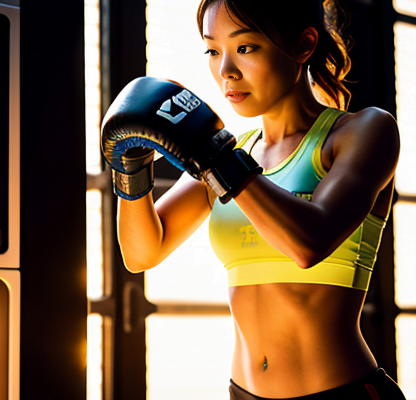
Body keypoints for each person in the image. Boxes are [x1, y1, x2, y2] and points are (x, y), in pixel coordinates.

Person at [102, 0, 406, 398]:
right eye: (213, 50)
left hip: (340, 391)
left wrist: (217, 158)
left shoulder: (362, 132)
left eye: (245, 48)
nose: (225, 71)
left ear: (304, 45)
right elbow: (143, 252)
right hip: (242, 391)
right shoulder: (233, 154)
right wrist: (131, 171)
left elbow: (309, 243)